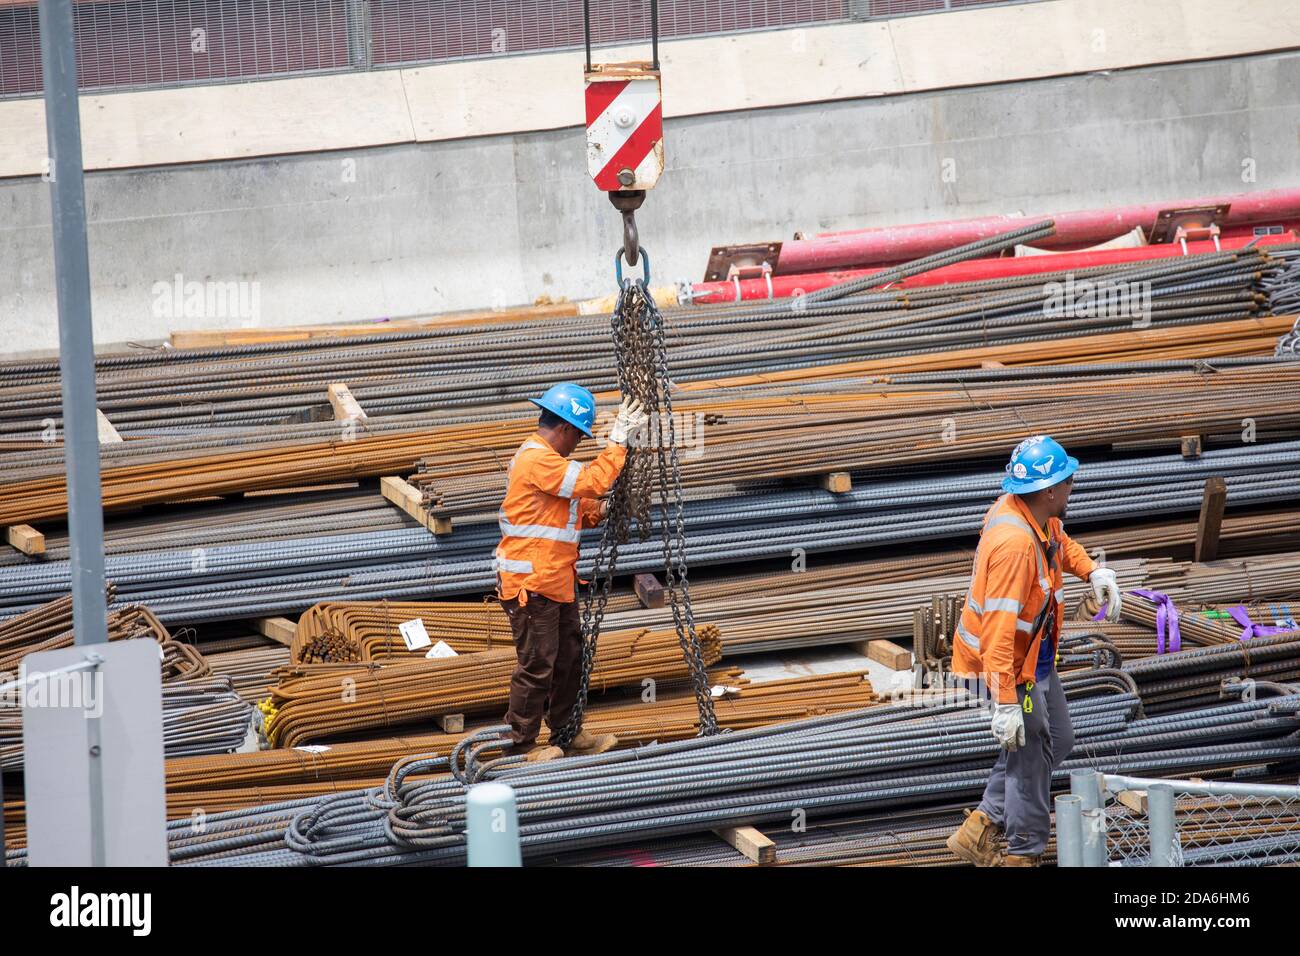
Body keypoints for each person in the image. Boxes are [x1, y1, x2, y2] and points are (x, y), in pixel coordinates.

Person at [945, 435, 1122, 866]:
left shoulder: (1034, 515)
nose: (1072, 488)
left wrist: (1091, 570)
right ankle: (1023, 853)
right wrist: (1006, 703)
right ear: (1048, 491)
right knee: (1031, 754)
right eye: (1068, 481)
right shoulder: (1014, 547)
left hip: (1033, 659)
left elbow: (1059, 543)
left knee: (1057, 738)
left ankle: (984, 820)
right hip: (1009, 668)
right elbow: (999, 631)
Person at [494, 382, 648, 762]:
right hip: (531, 584)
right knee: (537, 664)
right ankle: (523, 744)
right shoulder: (536, 459)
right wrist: (617, 442)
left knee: (569, 660)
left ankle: (565, 732)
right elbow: (590, 481)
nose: (577, 444)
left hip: (556, 582)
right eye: (578, 436)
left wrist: (604, 510)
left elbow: (574, 508)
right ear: (563, 428)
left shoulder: (550, 463)